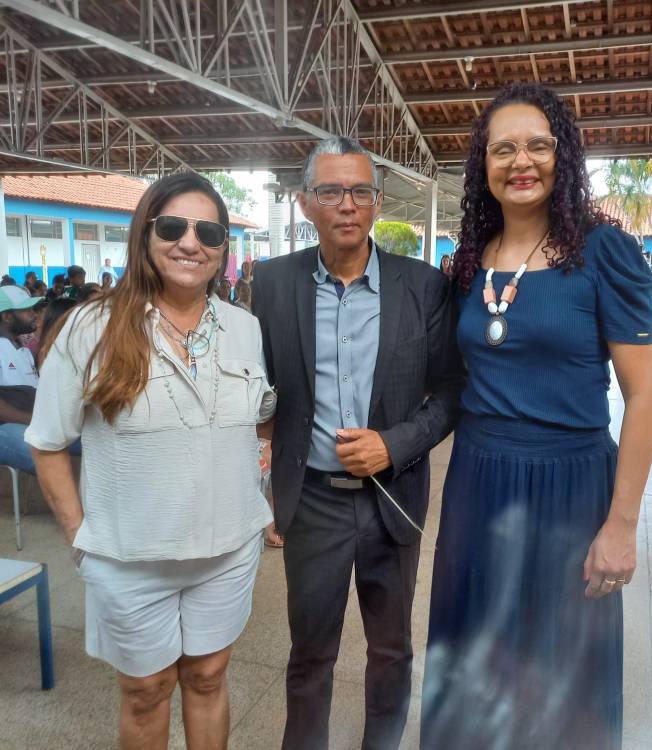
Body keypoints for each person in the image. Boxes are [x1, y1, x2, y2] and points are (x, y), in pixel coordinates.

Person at [420, 83, 652, 750]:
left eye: (537, 145)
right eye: (503, 149)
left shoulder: (602, 251)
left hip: (571, 489)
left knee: (560, 674)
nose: (520, 161)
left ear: (563, 157)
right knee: (475, 655)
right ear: (484, 167)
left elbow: (644, 397)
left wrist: (621, 523)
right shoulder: (471, 262)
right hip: (479, 483)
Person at [25, 172, 276, 750]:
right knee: (147, 689)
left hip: (227, 549)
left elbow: (262, 413)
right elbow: (47, 443)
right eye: (173, 226)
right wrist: (79, 538)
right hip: (129, 556)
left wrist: (257, 474)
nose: (190, 242)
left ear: (222, 250)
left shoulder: (245, 328)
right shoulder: (91, 328)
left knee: (209, 677)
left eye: (208, 231)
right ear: (145, 235)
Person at [252, 136, 464, 750]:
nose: (347, 204)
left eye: (361, 192)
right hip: (312, 501)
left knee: (391, 650)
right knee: (310, 653)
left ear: (376, 203)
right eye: (330, 191)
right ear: (305, 203)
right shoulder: (272, 283)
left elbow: (452, 390)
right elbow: (257, 384)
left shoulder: (423, 286)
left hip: (392, 499)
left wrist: (395, 444)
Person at [0, 285, 39, 475]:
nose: (34, 314)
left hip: (31, 424)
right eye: (27, 310)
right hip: (4, 429)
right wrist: (37, 421)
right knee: (46, 454)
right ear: (7, 316)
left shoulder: (23, 350)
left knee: (89, 439)